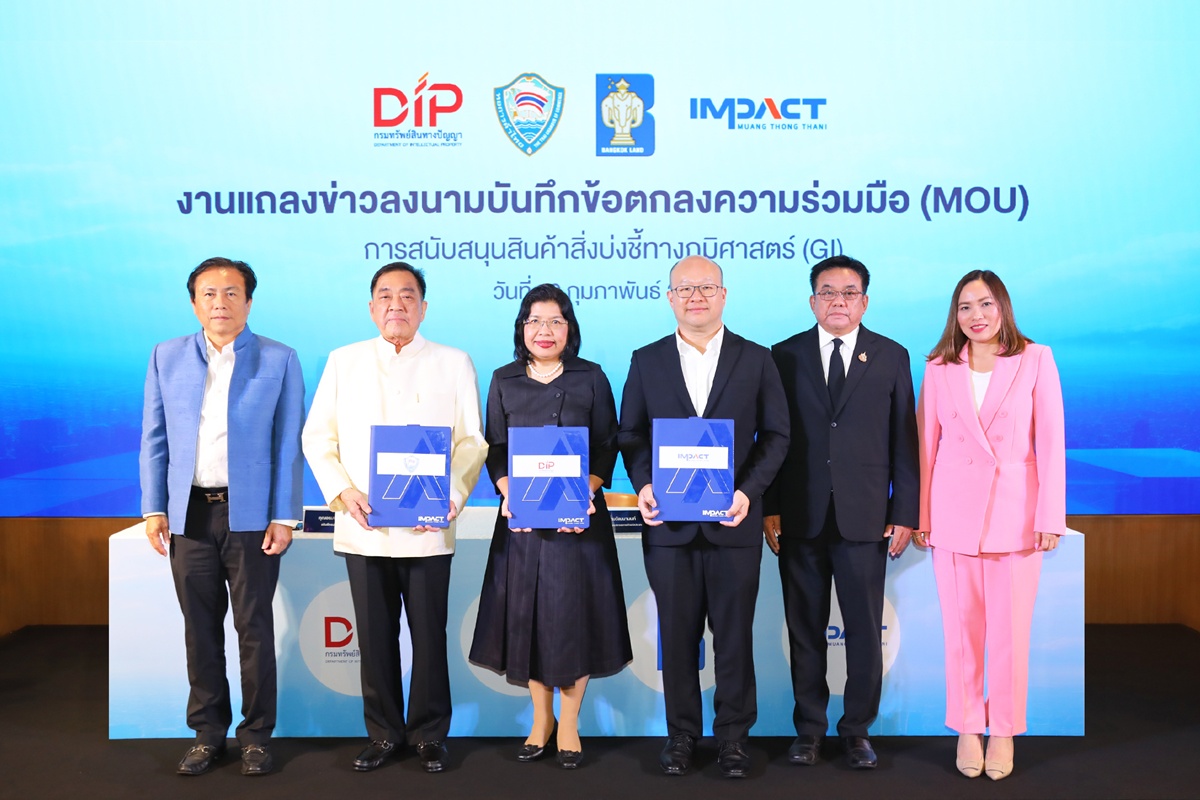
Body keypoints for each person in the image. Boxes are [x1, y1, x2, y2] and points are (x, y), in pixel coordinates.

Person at [302, 262, 487, 774]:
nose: (396, 305)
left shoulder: (454, 362)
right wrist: (344, 492)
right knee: (374, 637)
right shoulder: (344, 361)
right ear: (371, 308)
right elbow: (317, 437)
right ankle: (383, 733)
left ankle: (429, 734)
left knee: (429, 637)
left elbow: (472, 441)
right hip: (365, 526)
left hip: (429, 527)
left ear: (423, 308)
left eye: (407, 296)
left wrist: (451, 496)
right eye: (385, 295)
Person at [618, 256, 790, 779]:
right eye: (685, 288)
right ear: (670, 297)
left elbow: (777, 435)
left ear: (724, 295)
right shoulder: (646, 359)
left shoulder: (756, 359)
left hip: (733, 522)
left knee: (734, 637)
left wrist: (747, 492)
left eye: (707, 287)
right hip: (669, 526)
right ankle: (682, 735)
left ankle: (733, 738)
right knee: (677, 636)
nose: (696, 296)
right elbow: (631, 433)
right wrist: (645, 483)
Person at [139, 257, 304, 777]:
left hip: (250, 515)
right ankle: (208, 734)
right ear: (194, 303)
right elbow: (154, 437)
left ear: (248, 302)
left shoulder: (279, 358)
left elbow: (288, 444)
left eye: (232, 292)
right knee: (200, 629)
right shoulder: (166, 356)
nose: (220, 302)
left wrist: (285, 515)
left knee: (254, 628)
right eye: (209, 293)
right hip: (188, 513)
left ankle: (256, 737)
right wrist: (155, 507)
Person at [763, 254, 919, 770]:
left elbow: (904, 439)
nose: (838, 301)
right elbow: (771, 438)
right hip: (799, 515)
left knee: (863, 631)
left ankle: (857, 731)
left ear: (864, 302)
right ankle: (809, 729)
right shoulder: (783, 355)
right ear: (812, 301)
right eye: (827, 292)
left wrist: (905, 511)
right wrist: (769, 507)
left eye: (849, 292)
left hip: (866, 517)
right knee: (804, 630)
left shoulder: (891, 355)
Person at [469, 284, 633, 770]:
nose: (545, 330)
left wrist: (587, 489)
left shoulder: (591, 377)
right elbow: (495, 447)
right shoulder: (503, 379)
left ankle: (570, 723)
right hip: (522, 524)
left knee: (574, 620)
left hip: (580, 522)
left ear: (569, 329)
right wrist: (507, 490)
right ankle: (541, 721)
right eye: (535, 321)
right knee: (529, 620)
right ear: (522, 328)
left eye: (556, 321)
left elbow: (607, 443)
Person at [912, 270, 1065, 781]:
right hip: (952, 515)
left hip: (1015, 515)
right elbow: (924, 446)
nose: (975, 315)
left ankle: (1003, 730)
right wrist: (921, 515)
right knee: (961, 633)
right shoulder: (939, 367)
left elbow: (1052, 441)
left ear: (1003, 306)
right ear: (954, 315)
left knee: (1009, 634)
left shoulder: (1036, 358)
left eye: (985, 304)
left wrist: (1049, 515)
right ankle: (967, 727)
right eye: (964, 307)